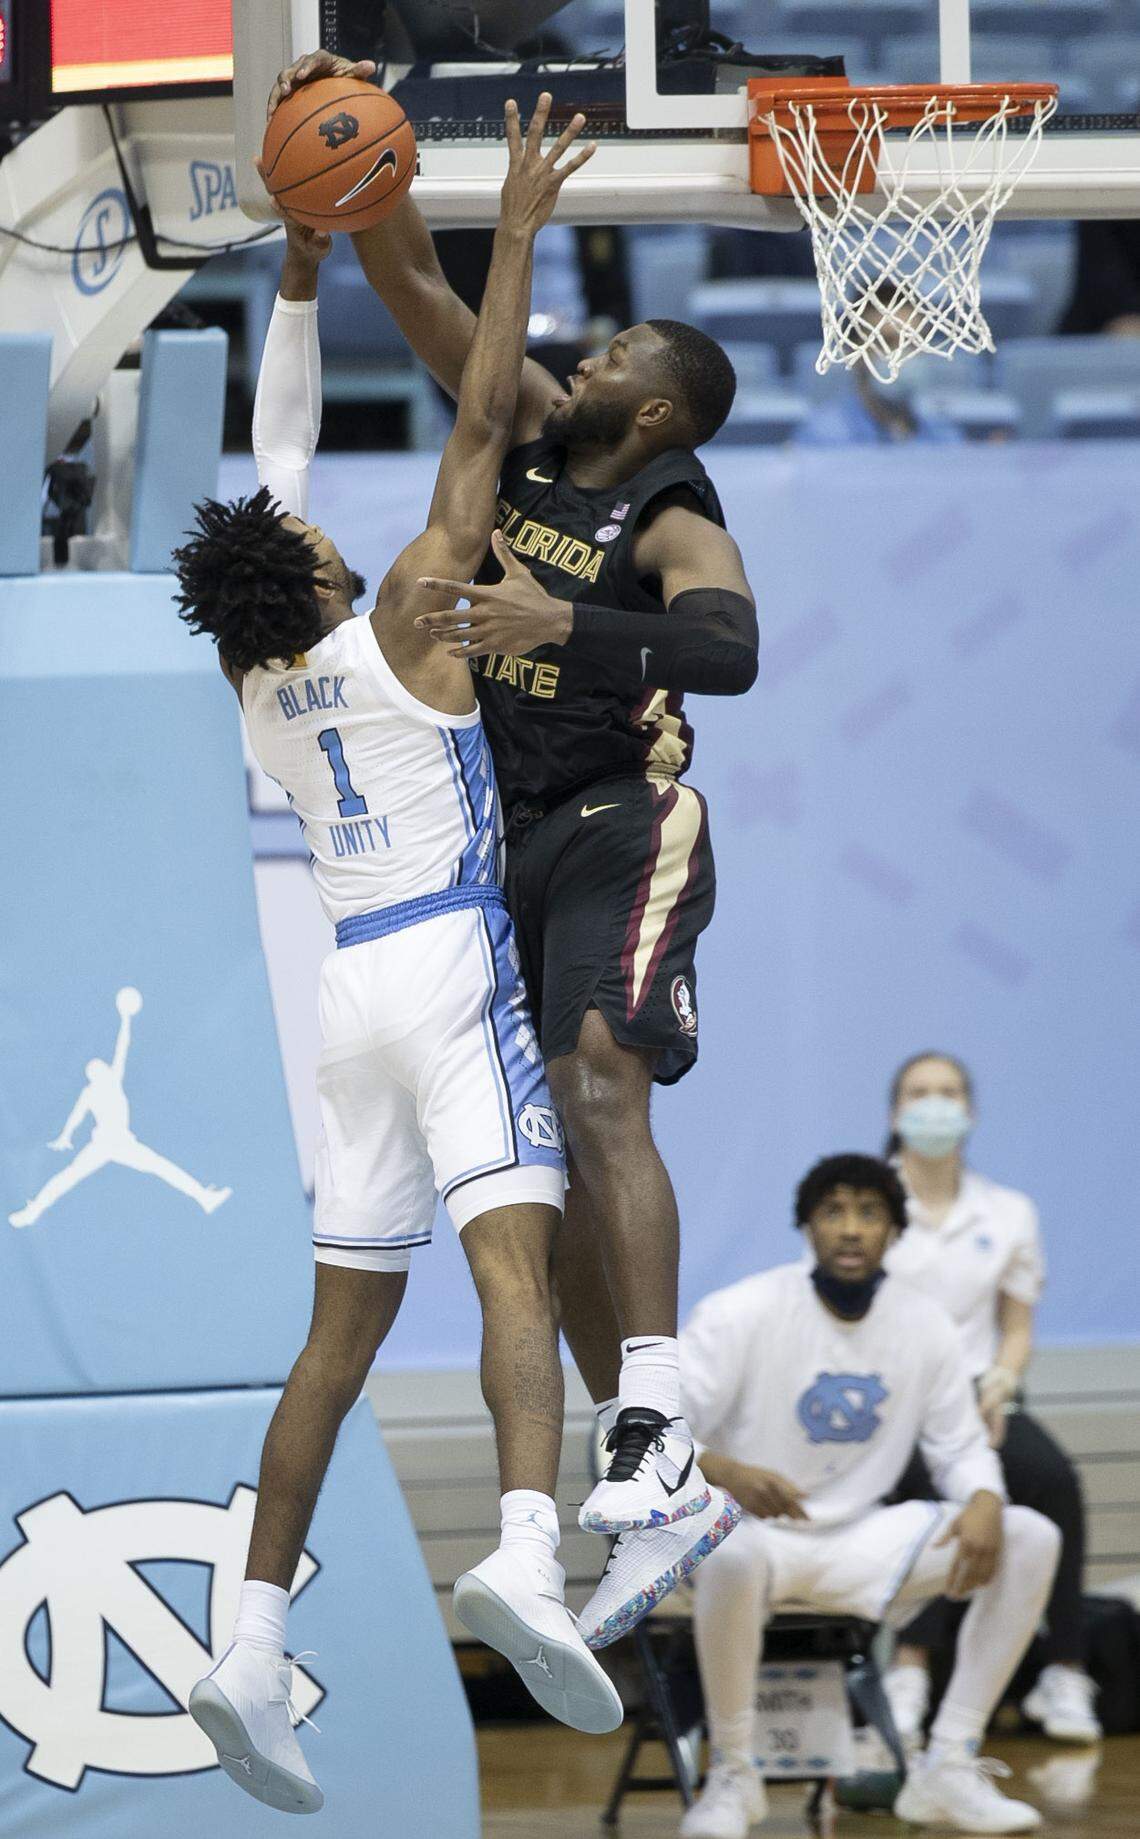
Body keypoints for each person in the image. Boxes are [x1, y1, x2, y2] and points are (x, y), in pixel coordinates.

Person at [171, 98, 627, 1816]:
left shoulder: (258, 676)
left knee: (333, 1345)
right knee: (518, 1263)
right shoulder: (421, 613)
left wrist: (297, 276)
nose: (315, 522)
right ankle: (523, 1546)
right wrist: (507, 233)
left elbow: (270, 464)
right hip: (444, 971)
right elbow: (483, 423)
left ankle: (246, 1632)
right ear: (308, 574)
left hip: (344, 991)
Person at [265, 50, 758, 1637]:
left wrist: (582, 624)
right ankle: (651, 1471)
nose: (589, 355)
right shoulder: (533, 429)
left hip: (630, 809)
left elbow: (735, 652)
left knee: (605, 1080)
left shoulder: (673, 505)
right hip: (515, 842)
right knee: (537, 1182)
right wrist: (354, 138)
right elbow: (404, 265)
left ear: (660, 401)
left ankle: (660, 1418)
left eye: (620, 348)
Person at [679, 1154, 1060, 1839]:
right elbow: (647, 1432)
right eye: (833, 1211)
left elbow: (960, 1444)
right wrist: (726, 1469)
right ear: (806, 1226)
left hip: (857, 1540)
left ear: (893, 1231)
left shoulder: (924, 1323)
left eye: (869, 1212)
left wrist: (981, 1495)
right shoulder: (741, 1310)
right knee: (731, 1553)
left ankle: (946, 1764)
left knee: (1031, 1532)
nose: (851, 1229)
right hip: (747, 1539)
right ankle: (733, 1773)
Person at [882, 1051, 1103, 1748]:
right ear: (896, 1112)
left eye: (948, 1092)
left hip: (982, 1393)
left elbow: (1015, 1326)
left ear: (970, 1111)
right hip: (897, 1398)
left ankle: (1063, 1668)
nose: (935, 1105)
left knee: (1053, 1479)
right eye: (920, 1092)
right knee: (932, 1483)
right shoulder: (869, 1201)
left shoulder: (1008, 1211)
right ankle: (911, 1668)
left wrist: (1002, 1383)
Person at [794, 280, 964, 447]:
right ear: (853, 350)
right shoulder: (822, 439)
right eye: (887, 341)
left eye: (914, 342)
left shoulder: (943, 436)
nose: (902, 354)